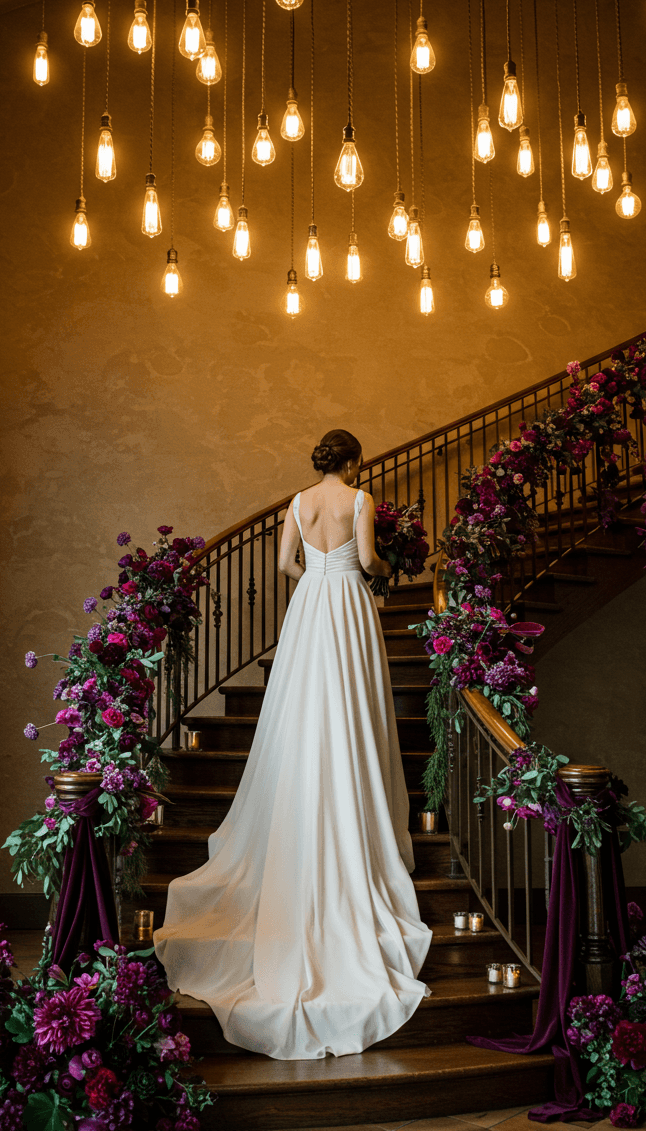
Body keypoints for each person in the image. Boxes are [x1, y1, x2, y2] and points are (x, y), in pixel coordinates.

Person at [154, 429, 432, 1060]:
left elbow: (284, 567)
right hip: (349, 605)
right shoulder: (360, 501)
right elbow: (365, 562)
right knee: (352, 701)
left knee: (304, 700)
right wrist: (387, 563)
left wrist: (316, 572)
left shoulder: (297, 503)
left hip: (309, 604)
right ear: (355, 461)